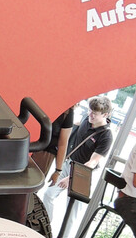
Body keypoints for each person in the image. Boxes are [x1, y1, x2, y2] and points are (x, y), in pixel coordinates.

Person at [41, 96, 114, 230]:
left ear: (105, 115)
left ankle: (64, 237)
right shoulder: (87, 119)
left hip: (83, 173)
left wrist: (72, 177)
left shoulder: (106, 136)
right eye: (90, 111)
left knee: (71, 212)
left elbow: (93, 162)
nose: (90, 115)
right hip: (68, 163)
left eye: (95, 113)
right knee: (48, 194)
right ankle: (46, 227)